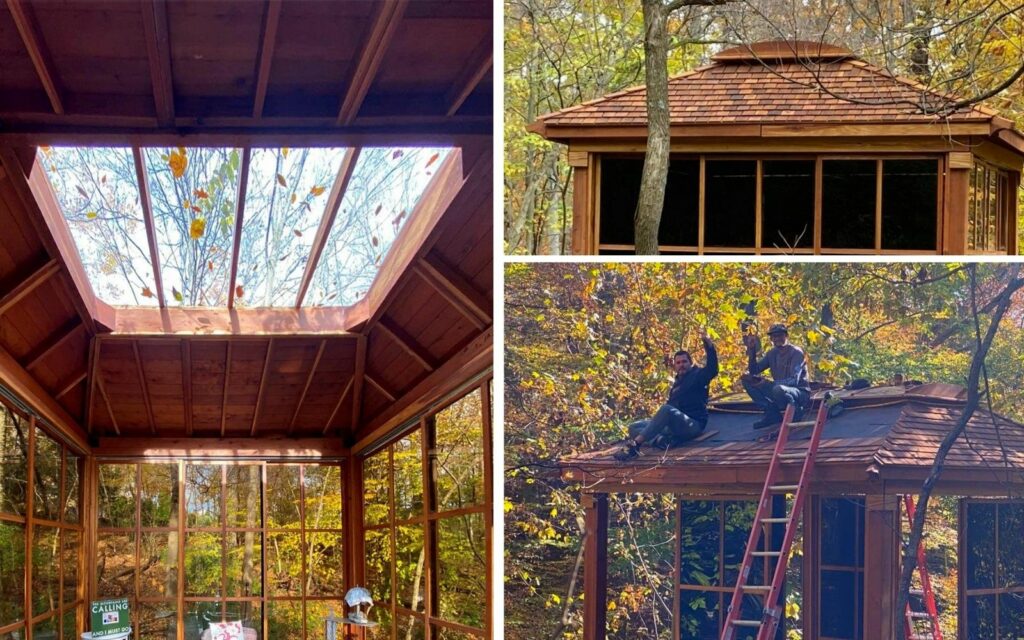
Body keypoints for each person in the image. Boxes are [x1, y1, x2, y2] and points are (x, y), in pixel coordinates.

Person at [614, 330, 719, 461]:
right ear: (674, 365)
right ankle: (661, 440)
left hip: (692, 425)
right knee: (634, 427)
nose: (682, 365)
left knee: (666, 409)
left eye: (684, 362)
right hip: (673, 426)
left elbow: (713, 368)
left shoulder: (698, 376)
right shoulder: (677, 383)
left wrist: (708, 343)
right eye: (678, 363)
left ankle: (634, 447)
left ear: (691, 363)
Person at [741, 323, 810, 429]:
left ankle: (796, 411)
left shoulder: (796, 352)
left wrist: (768, 384)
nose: (777, 338)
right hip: (778, 390)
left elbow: (794, 381)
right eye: (774, 336)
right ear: (771, 339)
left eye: (780, 335)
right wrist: (752, 350)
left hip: (799, 392)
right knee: (747, 381)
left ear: (786, 336)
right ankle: (771, 413)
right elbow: (754, 370)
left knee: (778, 389)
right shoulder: (772, 354)